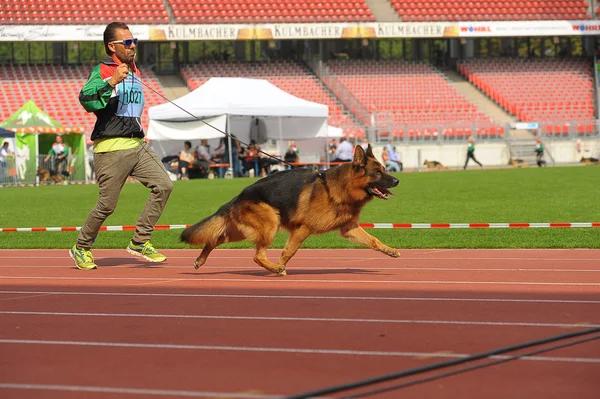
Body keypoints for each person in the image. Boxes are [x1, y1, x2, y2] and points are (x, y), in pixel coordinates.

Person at [70, 21, 173, 270]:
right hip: (111, 148)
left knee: (165, 185)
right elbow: (86, 99)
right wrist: (111, 82)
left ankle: (139, 241)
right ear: (112, 46)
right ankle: (81, 247)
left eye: (133, 40)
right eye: (127, 42)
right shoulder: (104, 70)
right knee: (107, 205)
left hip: (138, 145)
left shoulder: (135, 71)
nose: (133, 45)